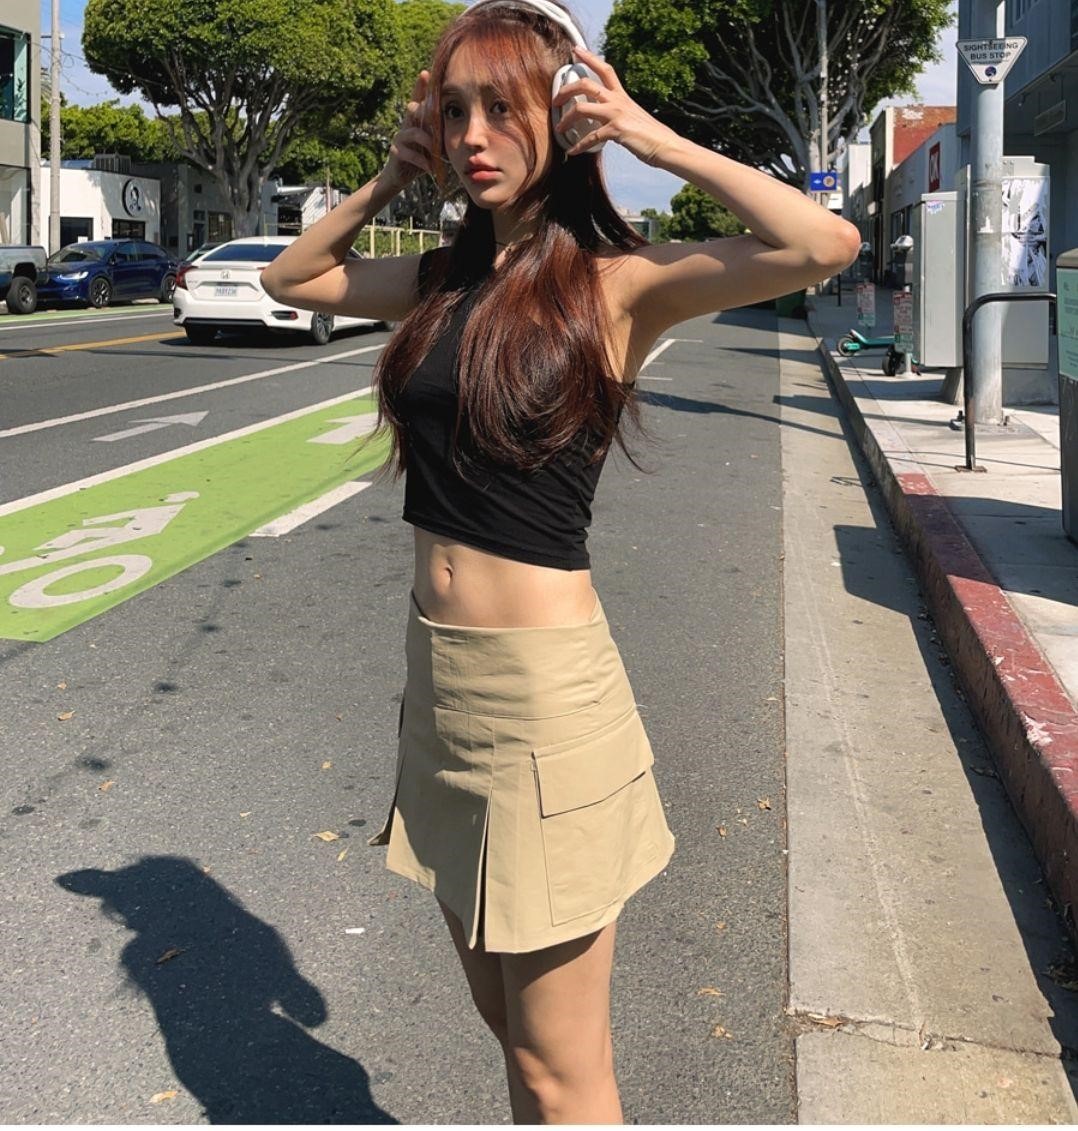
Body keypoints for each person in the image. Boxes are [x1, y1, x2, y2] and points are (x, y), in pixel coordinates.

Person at [262, 1, 859, 1121]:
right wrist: (390, 178)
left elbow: (823, 246)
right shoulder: (440, 281)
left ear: (561, 116)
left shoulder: (615, 283)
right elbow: (293, 279)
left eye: (502, 107)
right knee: (505, 1026)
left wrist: (649, 138)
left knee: (560, 1067)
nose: (471, 136)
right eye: (454, 112)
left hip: (542, 700)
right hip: (440, 690)